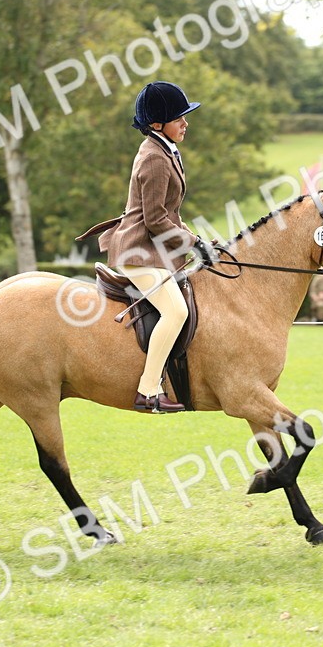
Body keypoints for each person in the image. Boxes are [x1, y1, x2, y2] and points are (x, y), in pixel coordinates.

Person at [79, 81, 207, 413]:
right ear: (156, 124)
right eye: (179, 118)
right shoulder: (154, 158)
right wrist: (194, 244)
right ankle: (148, 391)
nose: (185, 123)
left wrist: (200, 240)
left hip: (152, 249)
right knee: (176, 311)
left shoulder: (165, 150)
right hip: (138, 251)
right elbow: (156, 220)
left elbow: (171, 214)